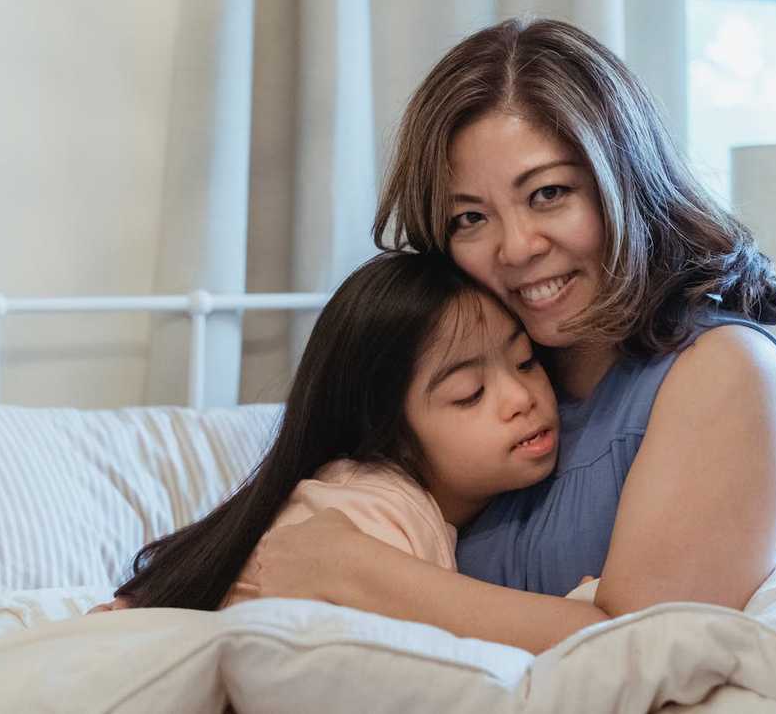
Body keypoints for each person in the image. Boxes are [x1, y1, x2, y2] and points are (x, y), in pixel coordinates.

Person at [249, 17, 776, 654]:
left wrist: (353, 568)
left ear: (624, 185)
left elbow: (651, 653)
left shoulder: (725, 370)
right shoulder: (477, 393)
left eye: (548, 193)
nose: (517, 247)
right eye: (471, 217)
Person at [92, 251, 562, 614]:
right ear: (389, 432)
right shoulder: (368, 512)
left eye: (526, 361)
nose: (522, 397)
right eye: (470, 393)